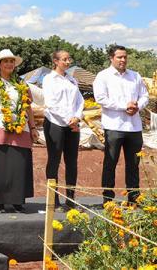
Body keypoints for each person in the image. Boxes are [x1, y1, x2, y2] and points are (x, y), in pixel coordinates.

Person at [0, 49, 38, 213]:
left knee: (18, 166)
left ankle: (17, 200)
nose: (9, 64)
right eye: (6, 61)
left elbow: (28, 107)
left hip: (20, 129)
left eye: (11, 61)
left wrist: (32, 127)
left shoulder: (22, 85)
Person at [93, 45, 148, 205]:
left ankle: (134, 198)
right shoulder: (103, 76)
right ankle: (108, 199)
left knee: (134, 164)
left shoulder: (135, 76)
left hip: (134, 127)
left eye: (125, 57)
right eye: (119, 57)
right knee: (110, 163)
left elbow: (144, 95)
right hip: (114, 127)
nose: (123, 60)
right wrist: (125, 105)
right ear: (111, 58)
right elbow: (101, 98)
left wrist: (138, 105)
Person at [42, 50, 84, 210]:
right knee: (54, 160)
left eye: (69, 59)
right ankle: (53, 200)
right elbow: (51, 103)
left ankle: (70, 199)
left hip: (73, 124)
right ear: (55, 61)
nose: (68, 62)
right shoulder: (49, 79)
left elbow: (79, 101)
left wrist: (77, 118)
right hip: (55, 123)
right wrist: (68, 120)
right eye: (64, 59)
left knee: (72, 161)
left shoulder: (72, 80)